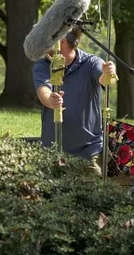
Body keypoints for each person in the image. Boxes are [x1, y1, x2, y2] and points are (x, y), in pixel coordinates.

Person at [33, 26, 117, 159]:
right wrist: (50, 100)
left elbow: (105, 80)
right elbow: (42, 89)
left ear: (62, 42)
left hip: (88, 151)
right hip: (51, 152)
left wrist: (109, 73)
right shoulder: (43, 64)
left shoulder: (91, 62)